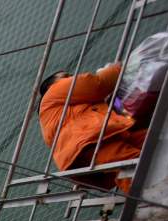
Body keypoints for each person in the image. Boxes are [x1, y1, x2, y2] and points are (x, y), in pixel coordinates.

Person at [39, 63, 147, 194]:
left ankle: (149, 194)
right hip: (90, 142)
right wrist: (120, 67)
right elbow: (98, 84)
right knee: (131, 164)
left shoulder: (69, 106)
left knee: (152, 142)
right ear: (51, 85)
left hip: (104, 138)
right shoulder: (53, 92)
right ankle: (150, 198)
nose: (72, 77)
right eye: (66, 77)